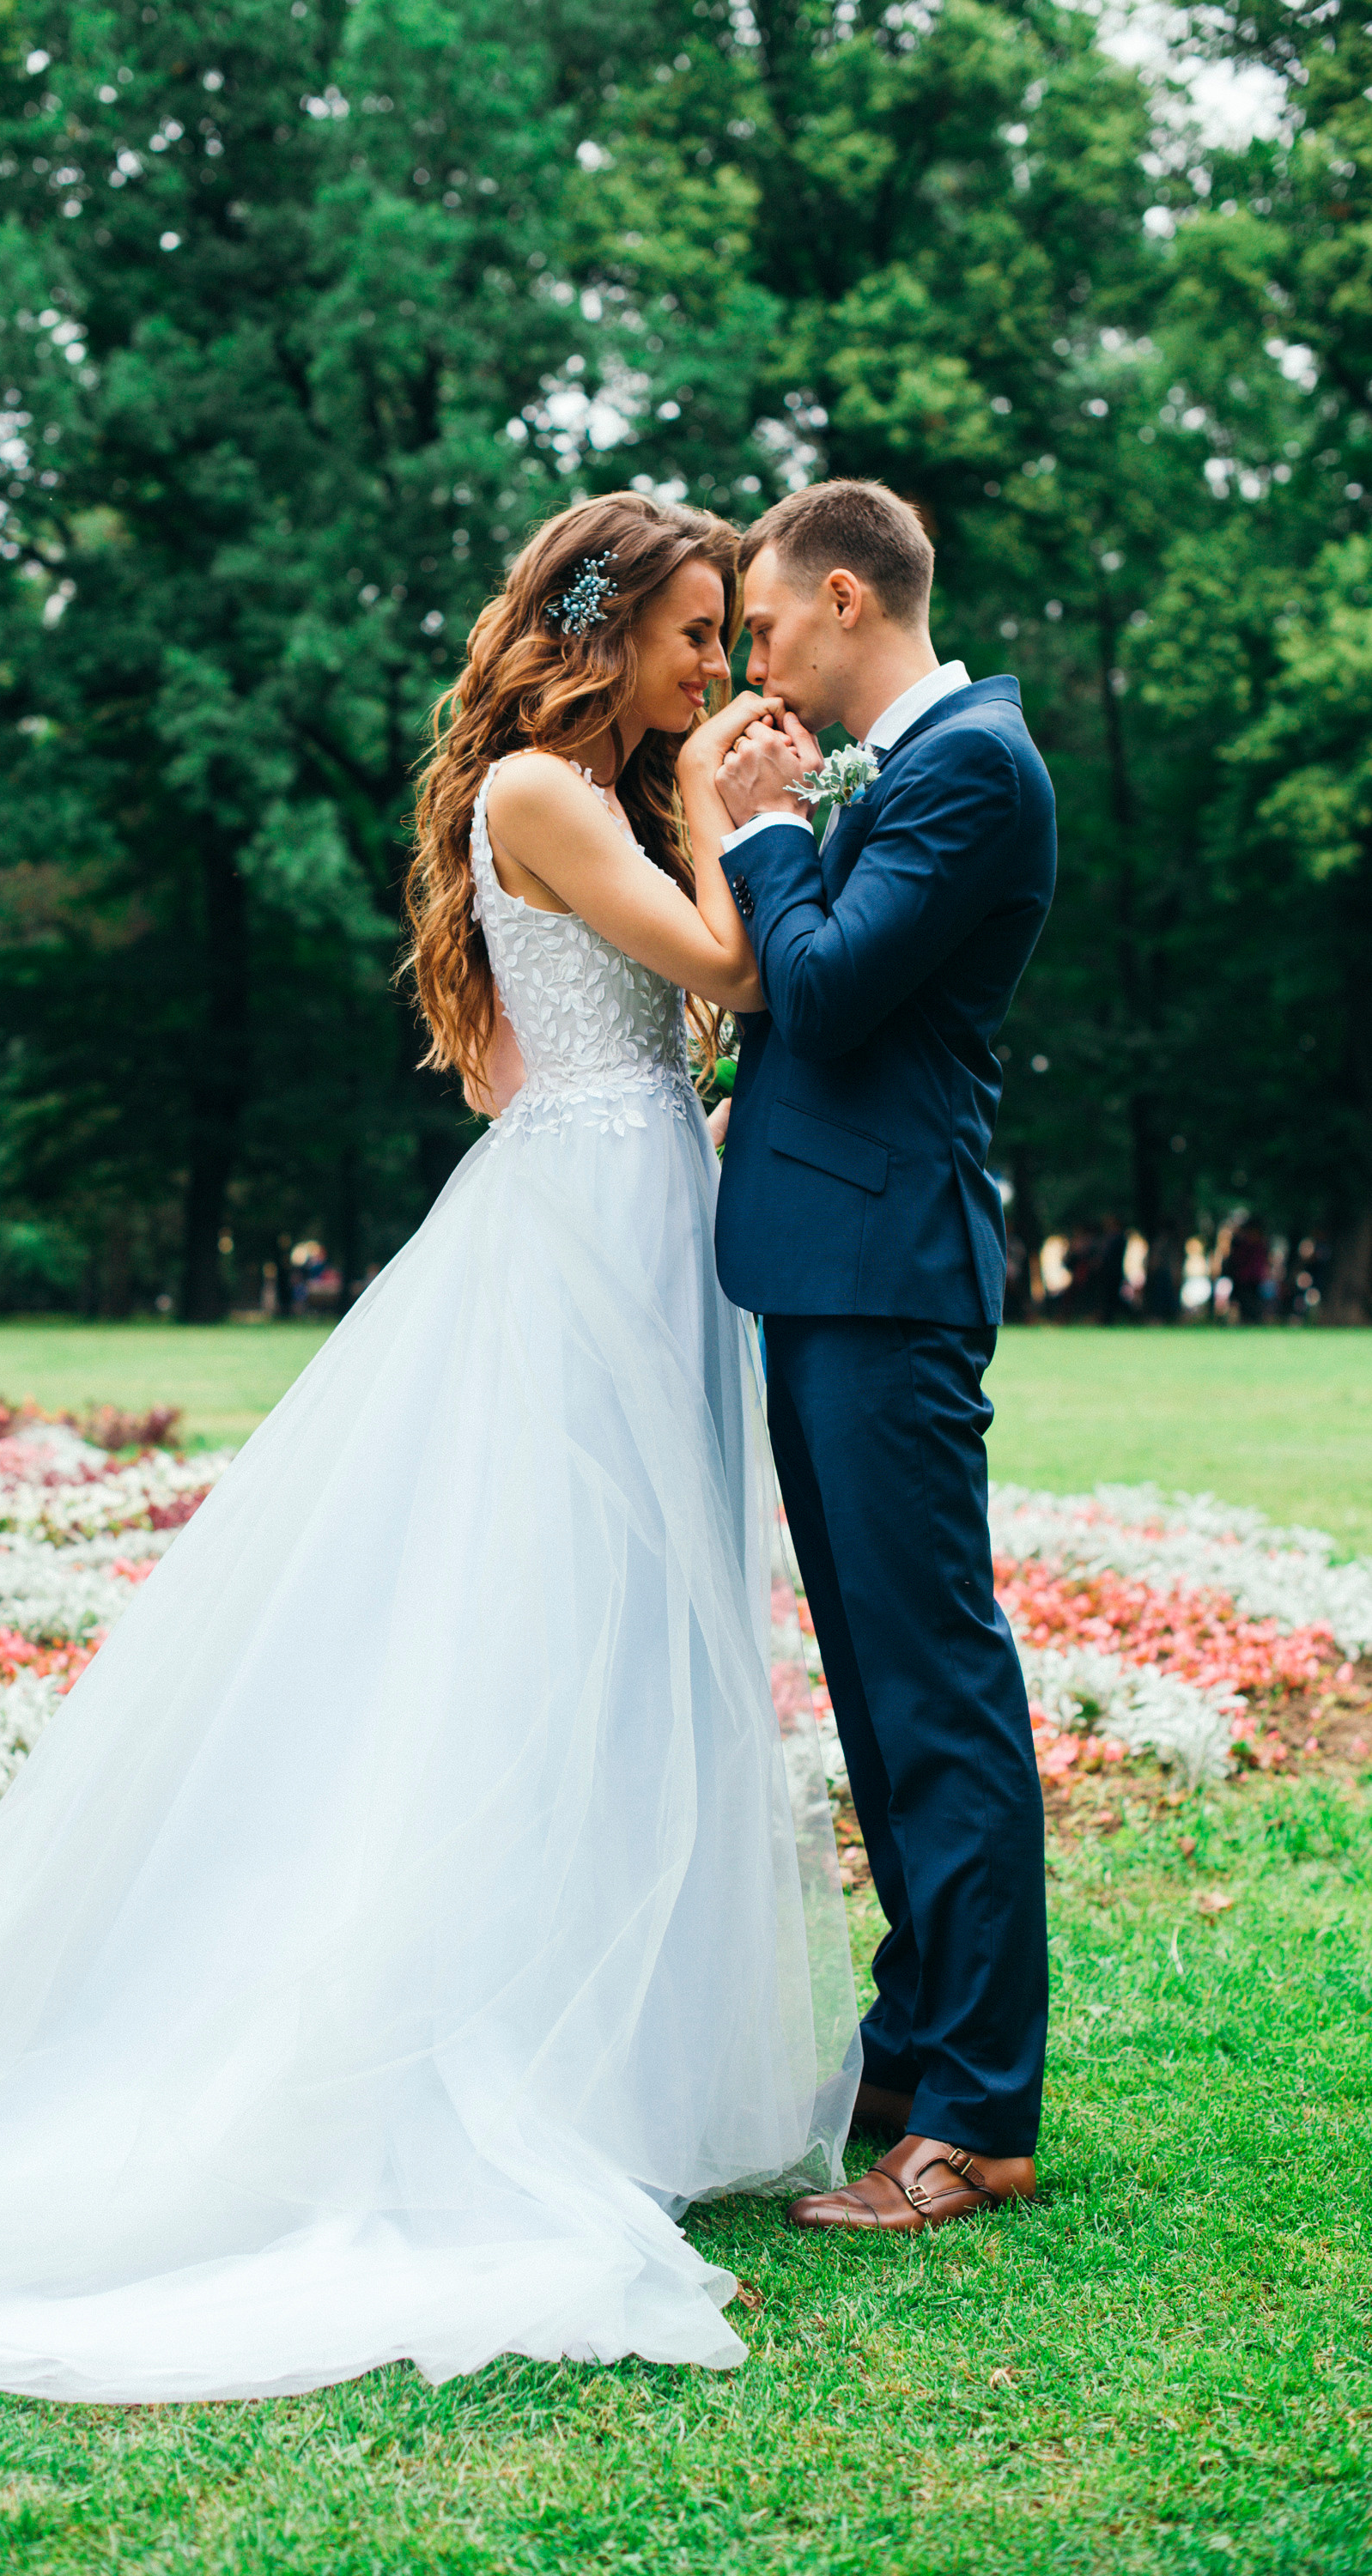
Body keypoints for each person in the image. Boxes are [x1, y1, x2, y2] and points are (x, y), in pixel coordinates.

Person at [0, 494, 857, 2403]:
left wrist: (698, 853)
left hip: (642, 1212)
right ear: (604, 629)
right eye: (693, 633)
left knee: (631, 1630)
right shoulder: (545, 791)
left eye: (726, 635)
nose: (716, 666)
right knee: (545, 1625)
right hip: (583, 1237)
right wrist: (739, 813)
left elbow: (592, 1042)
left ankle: (618, 2056)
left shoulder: (599, 800)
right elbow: (738, 973)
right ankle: (481, 2052)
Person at [693, 479, 1056, 2233]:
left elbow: (829, 990)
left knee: (935, 1694)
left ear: (847, 597)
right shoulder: (901, 771)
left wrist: (769, 830)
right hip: (829, 1270)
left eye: (762, 626)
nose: (749, 664)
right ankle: (911, 2053)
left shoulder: (973, 767)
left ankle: (976, 2116)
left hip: (891, 1276)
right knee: (876, 1687)